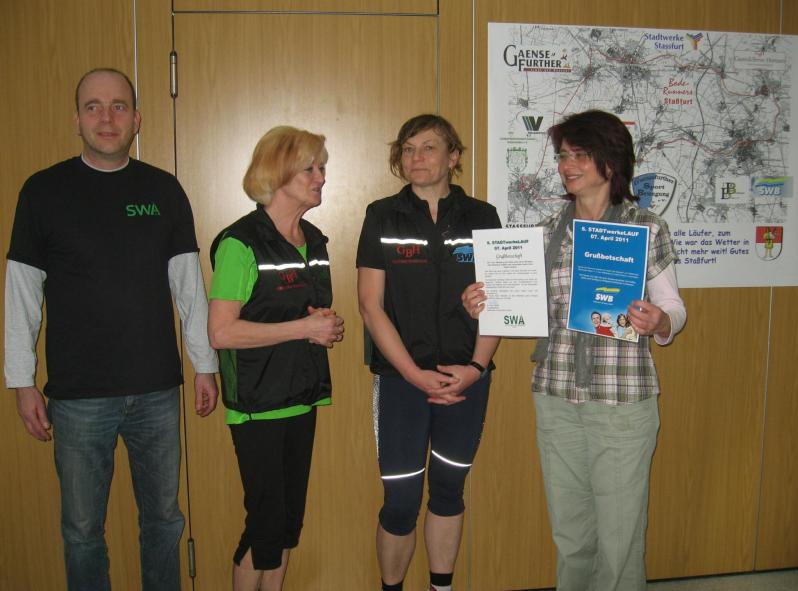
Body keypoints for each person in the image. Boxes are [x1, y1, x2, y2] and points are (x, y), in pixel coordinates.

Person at [4, 68, 219, 591]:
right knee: (82, 532)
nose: (107, 117)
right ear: (76, 119)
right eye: (94, 107)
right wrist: (21, 380)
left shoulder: (163, 190)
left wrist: (205, 365)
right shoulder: (43, 191)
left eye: (119, 106)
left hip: (157, 391)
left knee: (163, 521)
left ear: (137, 119)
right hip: (77, 398)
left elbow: (189, 287)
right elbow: (21, 292)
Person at [463, 110, 686, 591]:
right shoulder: (544, 233)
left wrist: (660, 321)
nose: (567, 165)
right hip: (556, 395)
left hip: (621, 401)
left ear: (611, 160)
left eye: (580, 155)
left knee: (620, 537)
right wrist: (485, 303)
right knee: (571, 533)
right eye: (563, 156)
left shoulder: (645, 228)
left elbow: (674, 308)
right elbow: (521, 310)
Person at [357, 114, 501, 591]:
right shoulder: (382, 215)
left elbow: (501, 301)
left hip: (466, 380)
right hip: (402, 383)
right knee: (400, 502)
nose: (416, 157)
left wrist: (476, 368)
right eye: (408, 148)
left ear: (453, 157)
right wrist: (413, 374)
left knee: (447, 492)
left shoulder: (483, 216)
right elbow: (370, 306)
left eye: (429, 147)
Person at [207, 126, 344, 591]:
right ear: (278, 171)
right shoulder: (240, 243)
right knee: (264, 528)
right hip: (257, 404)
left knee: (287, 526)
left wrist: (322, 325)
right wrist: (305, 328)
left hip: (302, 397)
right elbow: (221, 332)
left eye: (322, 167)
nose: (321, 177)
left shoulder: (314, 241)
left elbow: (299, 313)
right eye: (310, 168)